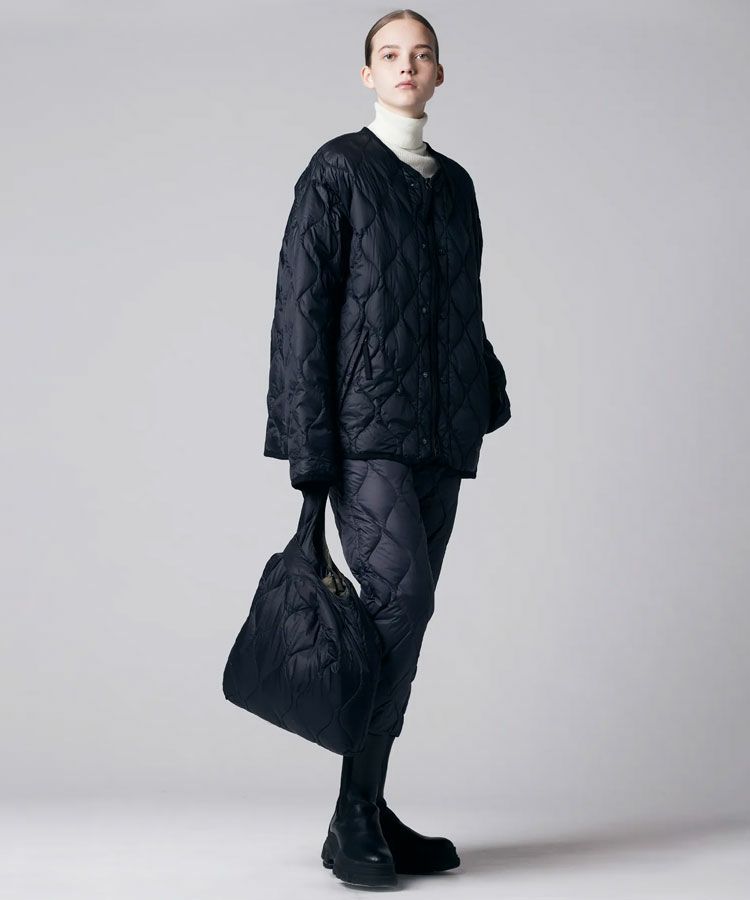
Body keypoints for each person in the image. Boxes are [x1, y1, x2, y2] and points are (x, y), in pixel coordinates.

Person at [262, 9, 511, 888]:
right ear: (367, 74)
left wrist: (486, 388)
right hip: (365, 433)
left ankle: (365, 807)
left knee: (406, 617)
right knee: (403, 601)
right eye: (390, 55)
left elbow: (460, 302)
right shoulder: (337, 170)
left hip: (442, 430)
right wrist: (309, 453)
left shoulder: (458, 186)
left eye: (422, 55)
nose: (407, 66)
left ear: (440, 73)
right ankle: (353, 814)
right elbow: (300, 313)